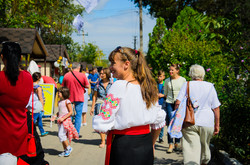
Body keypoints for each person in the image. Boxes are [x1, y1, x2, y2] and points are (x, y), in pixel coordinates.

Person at [92, 47, 166, 165]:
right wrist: (151, 144)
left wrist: (100, 123)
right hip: (145, 143)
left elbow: (105, 119)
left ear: (126, 64)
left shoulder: (119, 86)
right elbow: (159, 120)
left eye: (113, 63)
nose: (110, 67)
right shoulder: (148, 87)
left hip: (125, 144)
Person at [175, 64, 220, 165]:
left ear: (191, 74)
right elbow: (216, 107)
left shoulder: (187, 84)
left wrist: (176, 120)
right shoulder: (210, 86)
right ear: (203, 74)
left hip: (189, 122)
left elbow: (178, 103)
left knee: (191, 149)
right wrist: (217, 125)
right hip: (207, 122)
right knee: (205, 147)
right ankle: (204, 161)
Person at [0, 42, 33, 164]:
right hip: (21, 131)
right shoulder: (28, 77)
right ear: (20, 58)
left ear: (2, 57)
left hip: (2, 133)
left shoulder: (1, 78)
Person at [62, 62, 89, 136]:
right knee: (78, 115)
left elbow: (62, 86)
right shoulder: (82, 75)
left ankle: (68, 131)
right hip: (79, 97)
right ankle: (76, 132)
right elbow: (87, 86)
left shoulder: (66, 75)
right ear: (79, 67)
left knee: (68, 115)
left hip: (69, 97)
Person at [164, 64, 186, 153]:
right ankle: (170, 144)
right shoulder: (167, 81)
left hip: (179, 104)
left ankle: (177, 143)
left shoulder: (183, 80)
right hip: (169, 102)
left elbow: (185, 93)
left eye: (172, 70)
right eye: (170, 70)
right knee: (170, 123)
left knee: (178, 123)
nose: (170, 71)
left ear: (177, 71)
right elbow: (165, 93)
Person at [51, 87, 79, 157]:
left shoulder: (67, 101)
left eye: (60, 93)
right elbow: (60, 112)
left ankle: (69, 148)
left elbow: (71, 112)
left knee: (61, 135)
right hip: (60, 120)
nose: (58, 94)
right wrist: (55, 116)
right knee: (61, 136)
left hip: (66, 120)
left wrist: (63, 118)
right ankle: (65, 150)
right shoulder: (59, 102)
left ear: (64, 93)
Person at [90, 68, 113, 148]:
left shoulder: (113, 83)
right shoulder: (98, 84)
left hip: (110, 105)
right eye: (100, 73)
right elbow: (94, 96)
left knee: (111, 123)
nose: (101, 75)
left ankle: (110, 140)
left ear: (107, 74)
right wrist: (92, 107)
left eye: (103, 73)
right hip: (100, 105)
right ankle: (103, 141)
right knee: (101, 123)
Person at [31, 72, 49, 136]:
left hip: (32, 104)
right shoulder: (38, 87)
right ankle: (31, 132)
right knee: (34, 119)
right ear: (39, 78)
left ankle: (42, 131)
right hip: (37, 105)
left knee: (39, 119)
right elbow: (40, 98)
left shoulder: (30, 85)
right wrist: (42, 107)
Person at [157, 70, 166, 143]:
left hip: (163, 103)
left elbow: (168, 94)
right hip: (156, 104)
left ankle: (160, 136)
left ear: (163, 77)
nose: (159, 78)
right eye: (158, 76)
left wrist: (162, 95)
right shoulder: (155, 84)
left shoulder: (165, 84)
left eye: (160, 76)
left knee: (162, 120)